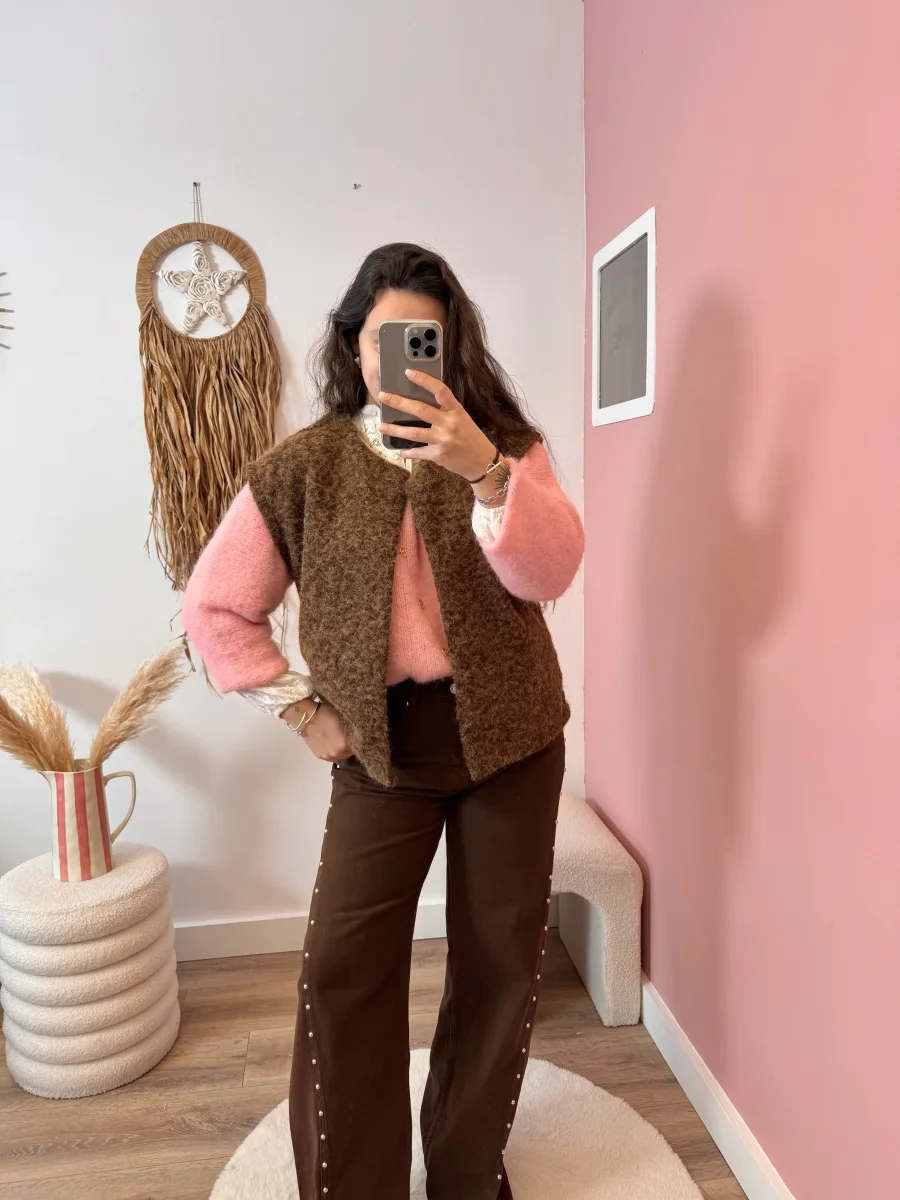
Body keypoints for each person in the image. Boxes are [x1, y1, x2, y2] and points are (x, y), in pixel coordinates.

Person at [182, 243, 584, 1200]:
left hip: (513, 739)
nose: (402, 356)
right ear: (355, 346)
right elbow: (215, 606)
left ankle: (466, 1175)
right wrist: (301, 708)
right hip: (379, 749)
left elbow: (551, 574)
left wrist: (486, 472)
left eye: (424, 338)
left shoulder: (505, 445)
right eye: (384, 338)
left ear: (450, 345)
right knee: (342, 967)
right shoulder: (304, 466)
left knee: (499, 962)